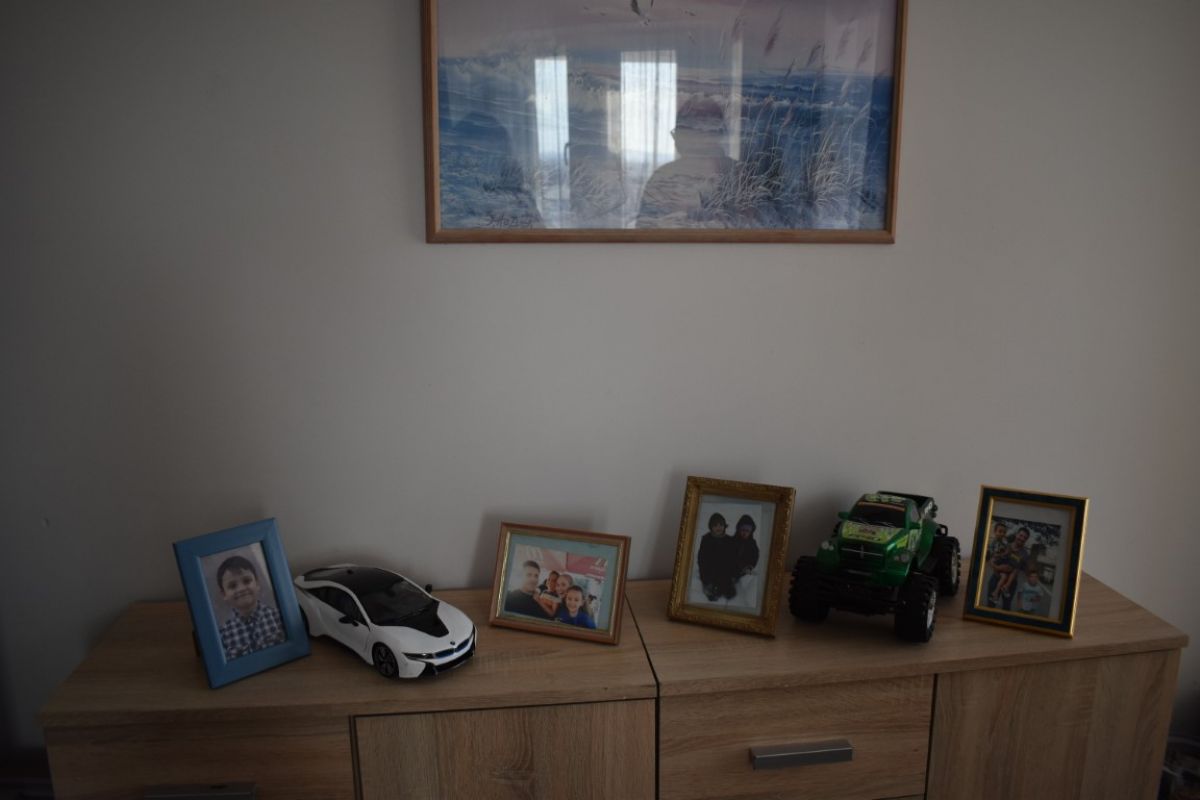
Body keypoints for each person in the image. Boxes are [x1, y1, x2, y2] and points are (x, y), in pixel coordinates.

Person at [215, 555, 285, 660]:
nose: (241, 589)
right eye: (232, 586)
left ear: (257, 583)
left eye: (247, 581)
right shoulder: (222, 635)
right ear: (224, 594)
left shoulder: (279, 617)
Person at [696, 513, 740, 601]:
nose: (718, 527)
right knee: (713, 595)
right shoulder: (706, 540)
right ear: (711, 527)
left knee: (730, 594)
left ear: (724, 526)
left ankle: (726, 586)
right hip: (711, 572)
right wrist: (705, 578)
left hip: (725, 572)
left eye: (721, 525)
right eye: (715, 525)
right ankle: (710, 587)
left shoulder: (729, 540)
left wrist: (734, 574)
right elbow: (702, 559)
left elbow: (734, 559)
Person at [988, 527, 1031, 610]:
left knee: (1006, 607)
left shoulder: (1025, 554)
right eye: (1021, 535)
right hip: (996, 579)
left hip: (1011, 584)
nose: (1022, 538)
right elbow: (992, 559)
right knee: (990, 605)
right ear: (1016, 534)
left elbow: (1019, 569)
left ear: (1026, 540)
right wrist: (997, 567)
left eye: (1025, 538)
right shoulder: (1005, 545)